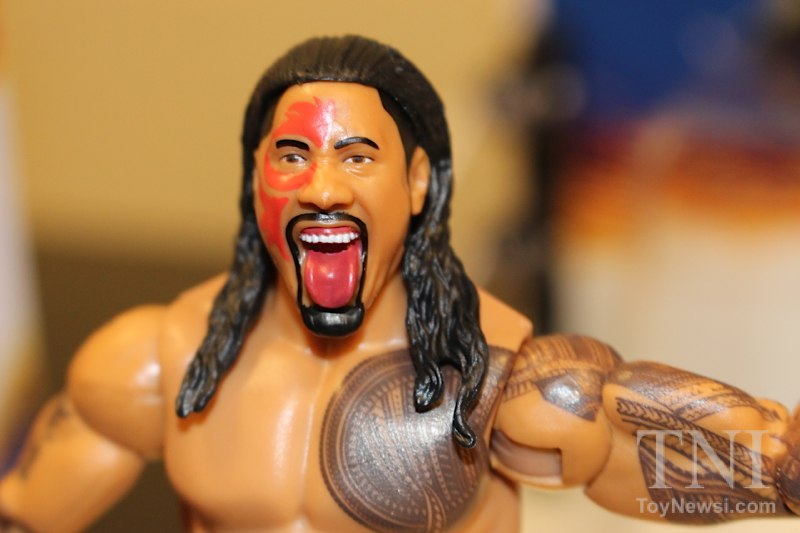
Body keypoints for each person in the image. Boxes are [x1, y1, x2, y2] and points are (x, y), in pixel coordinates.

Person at [0, 35, 797, 533]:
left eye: (356, 156)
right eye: (291, 156)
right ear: (256, 179)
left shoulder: (501, 381)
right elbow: (28, 508)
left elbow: (694, 451)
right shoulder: (158, 360)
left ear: (417, 182)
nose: (322, 186)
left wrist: (782, 465)